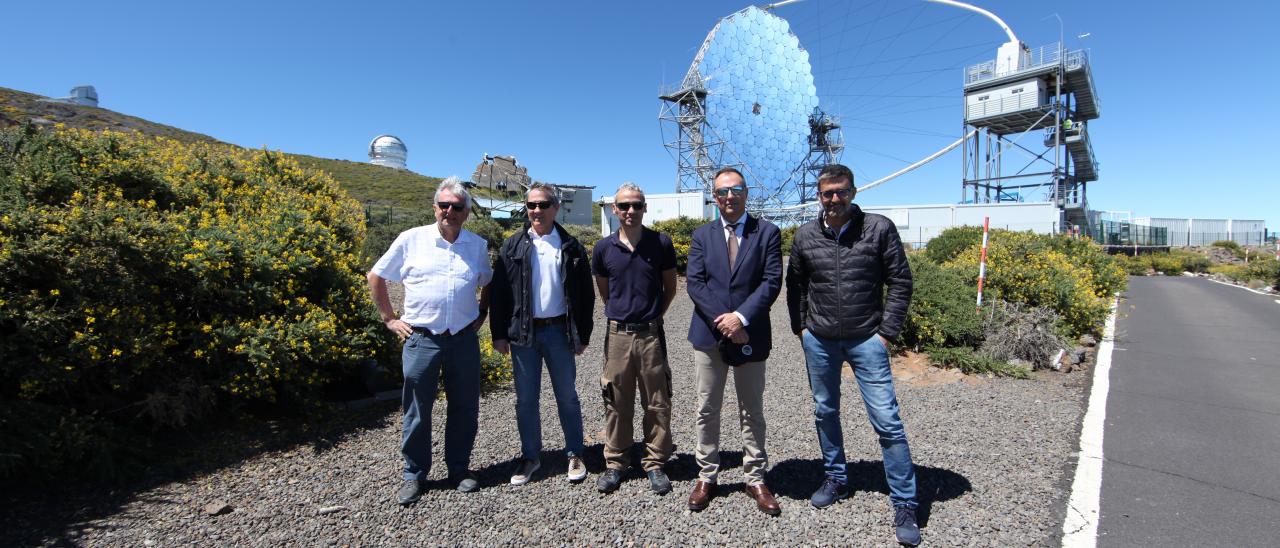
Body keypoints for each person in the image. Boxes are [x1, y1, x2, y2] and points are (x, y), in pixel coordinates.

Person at [785, 164, 921, 546]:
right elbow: (794, 283)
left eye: (841, 191)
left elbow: (901, 281)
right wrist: (802, 329)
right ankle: (836, 477)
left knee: (887, 421)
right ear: (819, 194)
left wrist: (886, 334)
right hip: (821, 340)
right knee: (825, 411)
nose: (834, 199)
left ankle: (905, 501)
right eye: (828, 193)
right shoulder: (806, 235)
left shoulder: (878, 228)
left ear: (854, 191)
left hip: (867, 340)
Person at [367, 177, 492, 505]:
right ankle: (414, 474)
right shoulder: (411, 240)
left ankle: (459, 469)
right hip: (422, 339)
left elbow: (488, 282)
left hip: (463, 339)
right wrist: (390, 319)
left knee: (465, 407)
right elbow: (375, 276)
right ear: (434, 208)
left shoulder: (477, 246)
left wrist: (482, 312)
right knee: (417, 409)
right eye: (444, 205)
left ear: (466, 213)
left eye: (457, 207)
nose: (450, 211)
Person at [684, 167, 784, 515]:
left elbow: (771, 282)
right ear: (715, 196)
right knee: (707, 408)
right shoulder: (702, 235)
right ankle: (706, 475)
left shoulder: (767, 233)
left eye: (736, 189)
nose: (729, 196)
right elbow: (695, 283)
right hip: (710, 336)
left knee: (751, 410)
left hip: (751, 335)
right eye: (722, 191)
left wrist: (741, 318)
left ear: (746, 193)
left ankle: (755, 476)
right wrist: (726, 323)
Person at [489, 182, 595, 486]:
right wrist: (499, 333)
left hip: (559, 332)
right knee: (525, 400)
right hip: (524, 335)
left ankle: (575, 453)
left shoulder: (571, 245)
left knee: (567, 397)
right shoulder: (513, 246)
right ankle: (531, 457)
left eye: (543, 204)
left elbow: (585, 294)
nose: (537, 210)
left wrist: (582, 333)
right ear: (526, 208)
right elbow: (499, 294)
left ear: (556, 208)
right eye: (532, 205)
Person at [591, 182, 678, 495]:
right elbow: (604, 291)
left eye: (636, 205)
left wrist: (654, 315)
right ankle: (616, 461)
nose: (630, 211)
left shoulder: (661, 243)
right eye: (624, 206)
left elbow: (670, 288)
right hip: (618, 336)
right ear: (615, 209)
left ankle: (655, 462)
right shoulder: (603, 249)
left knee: (657, 401)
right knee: (616, 400)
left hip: (651, 335)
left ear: (644, 208)